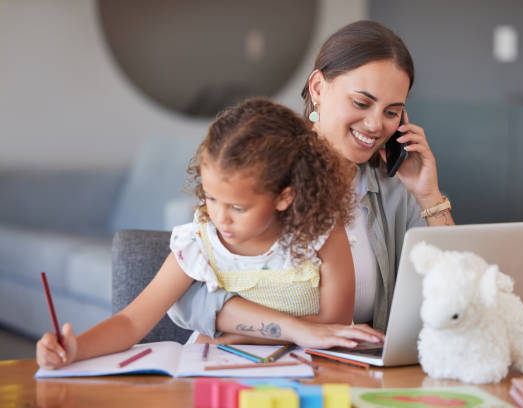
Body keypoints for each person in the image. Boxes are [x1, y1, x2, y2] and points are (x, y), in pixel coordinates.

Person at [36, 98, 384, 369]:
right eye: (211, 198)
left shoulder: (322, 234)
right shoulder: (198, 243)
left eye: (238, 207)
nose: (220, 218)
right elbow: (130, 322)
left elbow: (330, 328)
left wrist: (227, 334)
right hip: (214, 375)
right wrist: (76, 349)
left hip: (307, 377)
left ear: (284, 196)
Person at [168, 19, 455, 341]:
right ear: (318, 88)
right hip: (247, 362)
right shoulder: (268, 168)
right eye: (361, 103)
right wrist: (291, 331)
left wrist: (428, 195)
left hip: (349, 366)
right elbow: (189, 298)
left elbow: (457, 293)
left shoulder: (396, 188)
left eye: (391, 112)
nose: (375, 125)